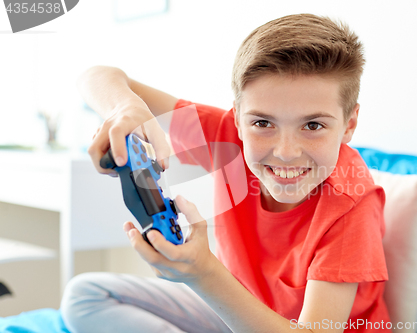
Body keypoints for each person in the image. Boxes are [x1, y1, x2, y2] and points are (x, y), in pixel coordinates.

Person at [61, 13, 391, 333]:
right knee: (85, 295)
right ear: (237, 120)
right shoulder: (226, 137)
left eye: (313, 125)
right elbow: (96, 76)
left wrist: (203, 273)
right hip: (236, 308)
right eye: (263, 123)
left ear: (349, 125)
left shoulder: (351, 205)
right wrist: (125, 108)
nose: (286, 152)